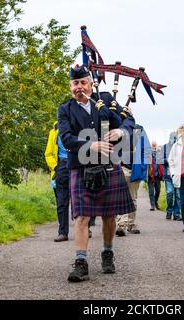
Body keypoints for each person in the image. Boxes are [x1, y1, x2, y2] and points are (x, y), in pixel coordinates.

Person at [58, 64, 136, 282]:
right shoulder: (65, 109)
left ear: (91, 83)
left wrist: (121, 130)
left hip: (109, 164)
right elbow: (66, 138)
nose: (79, 87)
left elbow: (129, 119)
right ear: (70, 86)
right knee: (81, 216)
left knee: (109, 215)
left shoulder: (106, 100)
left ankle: (107, 253)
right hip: (81, 168)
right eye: (75, 83)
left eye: (83, 82)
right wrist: (92, 144)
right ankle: (81, 262)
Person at [115, 123, 152, 236]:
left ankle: (130, 224)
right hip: (122, 168)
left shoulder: (139, 129)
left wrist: (142, 167)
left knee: (132, 198)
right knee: (121, 198)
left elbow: (147, 149)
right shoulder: (119, 127)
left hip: (135, 169)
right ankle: (121, 225)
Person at [45, 121, 70, 242]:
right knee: (61, 201)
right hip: (61, 165)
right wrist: (55, 167)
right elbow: (48, 153)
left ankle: (86, 228)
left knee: (80, 199)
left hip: (77, 164)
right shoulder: (54, 132)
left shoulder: (79, 126)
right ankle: (63, 232)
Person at [161, 132, 182, 221]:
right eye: (172, 138)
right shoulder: (164, 147)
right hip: (168, 175)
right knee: (170, 193)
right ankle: (169, 211)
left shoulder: (180, 147)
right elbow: (161, 160)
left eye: (175, 138)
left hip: (178, 175)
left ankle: (176, 214)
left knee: (178, 195)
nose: (173, 140)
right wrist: (169, 161)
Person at [148, 141, 163, 211]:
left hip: (157, 176)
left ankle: (155, 202)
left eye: (155, 145)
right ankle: (152, 205)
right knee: (151, 192)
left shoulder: (159, 155)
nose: (154, 147)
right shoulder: (148, 154)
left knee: (158, 190)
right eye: (153, 146)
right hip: (150, 176)